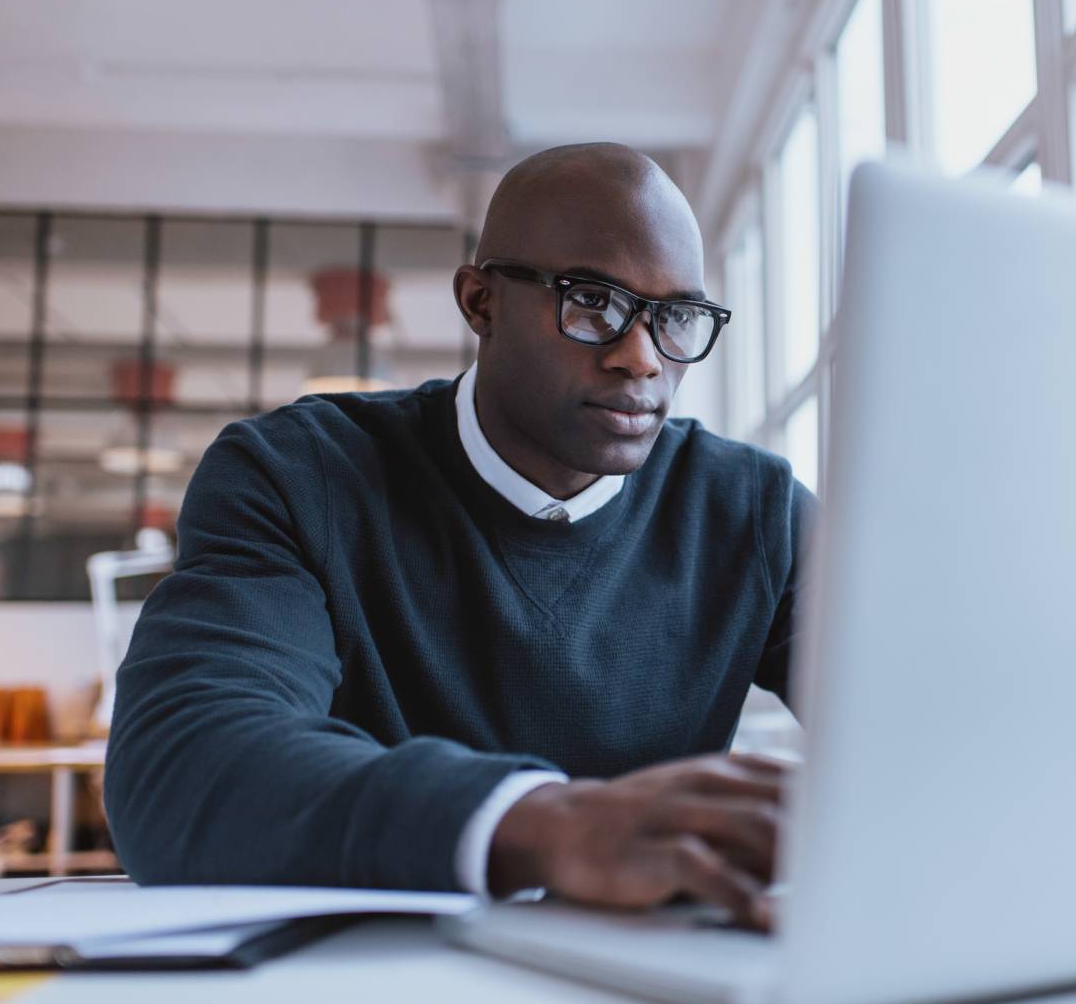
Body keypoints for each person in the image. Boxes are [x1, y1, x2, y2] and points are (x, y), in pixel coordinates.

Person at [104, 143, 814, 931]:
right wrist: (544, 824)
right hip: (372, 974)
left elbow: (935, 729)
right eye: (592, 303)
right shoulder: (299, 476)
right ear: (479, 302)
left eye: (675, 316)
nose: (640, 358)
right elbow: (180, 767)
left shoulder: (756, 512)